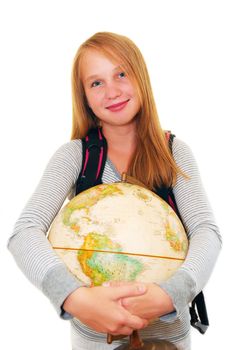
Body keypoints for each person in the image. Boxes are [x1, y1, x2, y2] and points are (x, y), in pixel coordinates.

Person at [8, 32, 222, 350]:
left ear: (141, 76)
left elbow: (206, 232)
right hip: (95, 341)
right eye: (96, 83)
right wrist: (75, 298)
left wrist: (168, 295)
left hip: (167, 338)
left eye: (121, 73)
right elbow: (24, 233)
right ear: (84, 97)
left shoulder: (173, 152)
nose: (112, 91)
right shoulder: (75, 156)